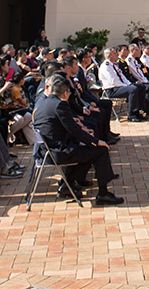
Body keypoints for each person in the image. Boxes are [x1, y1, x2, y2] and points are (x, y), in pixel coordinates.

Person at [32, 75, 124, 206]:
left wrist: (87, 138)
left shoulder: (44, 102)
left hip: (46, 150)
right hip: (58, 152)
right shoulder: (60, 105)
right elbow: (74, 130)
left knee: (88, 151)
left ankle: (67, 184)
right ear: (65, 93)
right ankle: (103, 193)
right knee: (101, 150)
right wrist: (96, 141)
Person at [97, 48, 147, 122]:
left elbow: (122, 77)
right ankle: (131, 115)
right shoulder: (106, 66)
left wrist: (129, 84)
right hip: (111, 89)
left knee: (141, 87)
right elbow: (114, 81)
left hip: (119, 87)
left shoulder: (114, 65)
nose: (117, 54)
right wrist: (126, 86)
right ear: (109, 56)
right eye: (114, 53)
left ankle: (138, 111)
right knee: (133, 89)